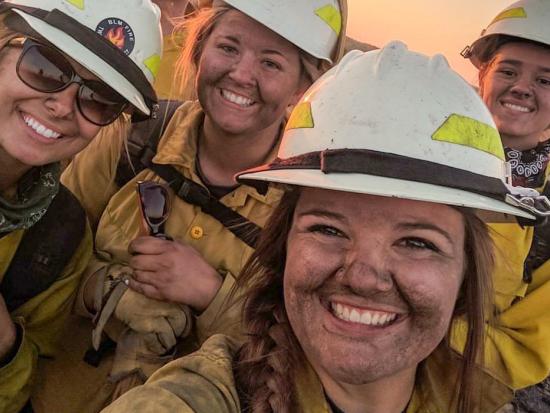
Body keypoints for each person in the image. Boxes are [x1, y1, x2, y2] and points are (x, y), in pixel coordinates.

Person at [101, 42, 548, 413]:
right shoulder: (196, 398)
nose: (363, 276)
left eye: (416, 242)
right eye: (329, 230)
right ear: (282, 247)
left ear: (467, 276)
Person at [51, 0, 349, 411]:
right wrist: (102, 286)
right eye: (228, 48)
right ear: (198, 50)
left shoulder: (305, 211)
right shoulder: (135, 139)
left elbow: (305, 356)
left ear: (302, 88)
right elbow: (44, 247)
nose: (242, 75)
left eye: (271, 64)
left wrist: (212, 295)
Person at [0, 0, 162, 412]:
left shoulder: (60, 235)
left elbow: (21, 389)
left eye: (99, 99)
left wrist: (4, 344)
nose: (62, 105)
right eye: (45, 67)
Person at [460, 0, 550, 409]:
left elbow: (530, 343)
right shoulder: (419, 151)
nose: (521, 87)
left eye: (546, 81)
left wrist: (415, 336)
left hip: (476, 384)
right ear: (482, 77)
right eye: (508, 71)